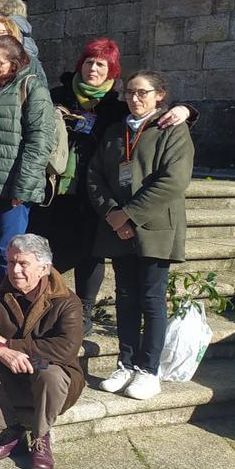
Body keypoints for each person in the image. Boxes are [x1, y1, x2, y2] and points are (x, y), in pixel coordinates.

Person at [36, 39, 194, 331]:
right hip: (55, 188)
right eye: (88, 62)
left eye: (100, 64)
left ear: (111, 70)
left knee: (91, 253)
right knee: (50, 248)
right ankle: (43, 305)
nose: (92, 69)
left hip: (93, 193)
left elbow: (151, 115)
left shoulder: (117, 107)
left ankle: (84, 311)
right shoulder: (57, 96)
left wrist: (186, 110)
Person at [89, 71, 194, 402]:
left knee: (151, 299)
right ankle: (126, 362)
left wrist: (129, 214)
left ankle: (149, 370)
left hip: (154, 227)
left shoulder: (171, 130)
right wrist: (112, 214)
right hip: (118, 228)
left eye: (143, 93)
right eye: (130, 93)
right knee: (125, 298)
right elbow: (94, 177)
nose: (135, 99)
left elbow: (173, 181)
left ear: (160, 95)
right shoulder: (114, 131)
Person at [0, 234, 84, 469]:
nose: (14, 270)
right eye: (10, 262)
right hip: (7, 367)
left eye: (23, 264)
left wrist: (9, 343)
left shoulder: (67, 301)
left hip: (45, 364)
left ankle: (40, 437)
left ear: (44, 268)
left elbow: (65, 348)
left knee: (51, 374)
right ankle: (11, 431)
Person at [0, 36, 54, 284]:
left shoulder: (31, 88)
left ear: (14, 64)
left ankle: (11, 310)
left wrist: (23, 188)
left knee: (10, 254)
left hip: (12, 188)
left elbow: (40, 140)